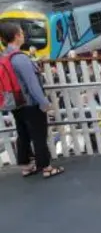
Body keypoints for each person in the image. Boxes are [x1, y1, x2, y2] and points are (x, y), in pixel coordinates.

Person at [0, 22, 63, 178]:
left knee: (23, 134)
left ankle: (27, 166)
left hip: (15, 102)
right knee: (39, 135)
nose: (23, 35)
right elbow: (32, 84)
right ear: (16, 36)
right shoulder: (20, 58)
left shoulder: (4, 56)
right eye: (21, 32)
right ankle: (46, 167)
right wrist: (44, 103)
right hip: (30, 103)